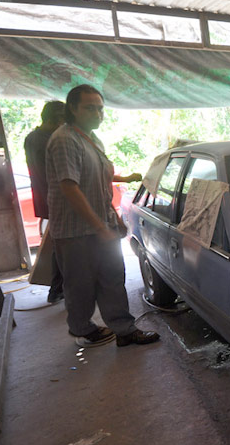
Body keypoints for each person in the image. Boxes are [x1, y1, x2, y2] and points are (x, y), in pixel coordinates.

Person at [46, 84, 157, 348]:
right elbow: (69, 187)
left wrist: (112, 217)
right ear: (72, 109)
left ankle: (124, 329)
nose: (97, 113)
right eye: (89, 107)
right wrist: (98, 224)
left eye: (100, 108)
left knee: (113, 277)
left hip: (101, 224)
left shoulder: (91, 138)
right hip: (76, 231)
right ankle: (83, 329)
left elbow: (98, 179)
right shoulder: (65, 140)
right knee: (80, 284)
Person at [24, 100, 67, 304]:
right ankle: (58, 289)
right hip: (56, 200)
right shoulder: (49, 140)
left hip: (47, 199)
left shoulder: (33, 137)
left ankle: (58, 288)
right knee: (64, 246)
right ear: (55, 119)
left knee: (60, 245)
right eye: (62, 118)